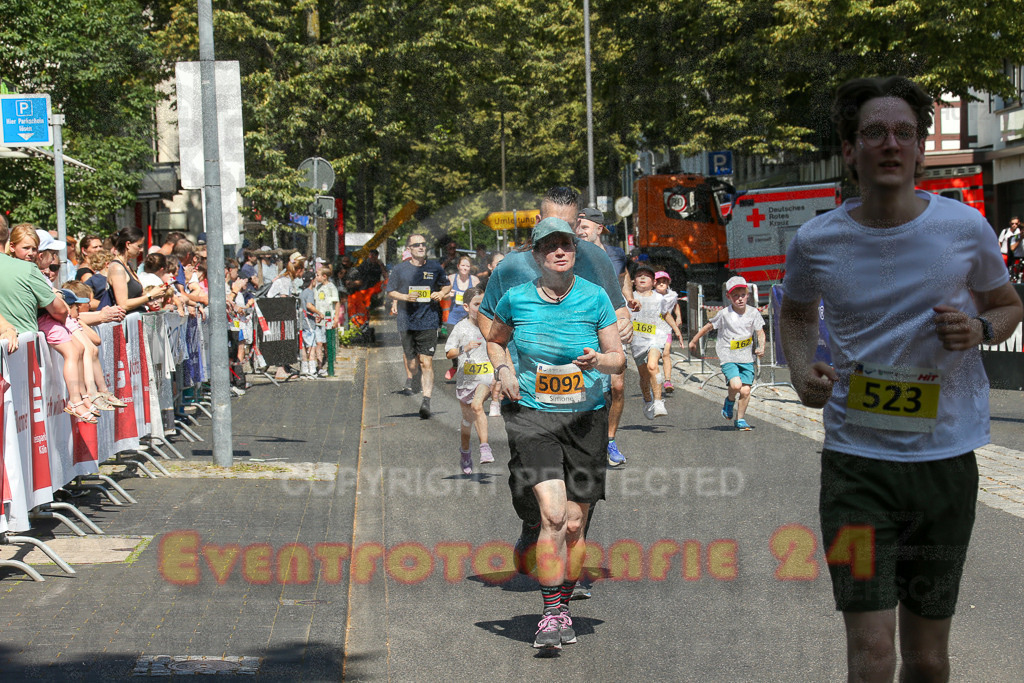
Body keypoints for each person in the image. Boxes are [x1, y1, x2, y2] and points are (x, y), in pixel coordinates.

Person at [780, 76, 1023, 682]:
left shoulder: (965, 229)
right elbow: (796, 311)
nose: (890, 143)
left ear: (918, 150)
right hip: (855, 469)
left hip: (945, 466)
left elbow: (1007, 304)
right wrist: (799, 365)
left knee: (928, 658)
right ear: (850, 150)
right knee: (870, 656)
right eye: (874, 132)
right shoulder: (817, 239)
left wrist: (980, 329)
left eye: (904, 133)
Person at [478, 186, 632, 593]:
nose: (562, 240)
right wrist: (504, 367)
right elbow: (488, 323)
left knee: (573, 504)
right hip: (528, 396)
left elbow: (615, 310)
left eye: (570, 228)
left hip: (583, 397)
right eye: (552, 228)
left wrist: (620, 327)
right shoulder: (512, 268)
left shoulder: (593, 257)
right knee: (527, 489)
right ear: (538, 223)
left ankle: (566, 558)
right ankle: (535, 522)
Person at [574, 206, 632, 464]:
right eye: (577, 226)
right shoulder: (574, 254)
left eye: (584, 226)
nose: (579, 231)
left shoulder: (616, 254)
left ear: (599, 228)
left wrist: (626, 311)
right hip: (586, 326)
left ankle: (609, 440)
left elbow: (623, 278)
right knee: (588, 386)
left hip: (612, 325)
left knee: (617, 387)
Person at [386, 233, 451, 418]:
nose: (421, 247)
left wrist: (441, 293)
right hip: (406, 321)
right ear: (409, 249)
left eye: (423, 244)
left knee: (426, 361)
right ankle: (413, 377)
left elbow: (446, 286)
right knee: (413, 364)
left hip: (428, 319)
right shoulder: (399, 270)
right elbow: (390, 292)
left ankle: (426, 401)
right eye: (416, 245)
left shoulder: (435, 267)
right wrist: (405, 297)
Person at [689, 276, 765, 430]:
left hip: (746, 357)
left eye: (742, 294)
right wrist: (694, 340)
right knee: (736, 385)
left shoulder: (753, 313)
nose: (739, 299)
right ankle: (730, 401)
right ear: (729, 297)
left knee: (745, 390)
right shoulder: (724, 314)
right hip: (728, 355)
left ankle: (740, 420)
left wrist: (761, 347)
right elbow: (708, 327)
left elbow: (760, 332)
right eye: (735, 296)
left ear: (748, 294)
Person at [443, 286, 494, 474]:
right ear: (466, 307)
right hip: (466, 380)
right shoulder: (461, 328)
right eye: (476, 304)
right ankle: (465, 453)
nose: (480, 308)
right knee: (467, 421)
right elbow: (449, 353)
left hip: (486, 378)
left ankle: (485, 448)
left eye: (483, 304)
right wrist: (465, 348)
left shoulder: (490, 325)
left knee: (477, 406)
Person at [628, 263, 672, 419]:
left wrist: (677, 331)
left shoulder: (659, 298)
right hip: (637, 342)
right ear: (633, 280)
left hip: (655, 338)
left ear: (653, 281)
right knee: (644, 377)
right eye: (639, 275)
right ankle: (648, 400)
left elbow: (666, 315)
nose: (642, 278)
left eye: (646, 276)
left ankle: (659, 402)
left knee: (653, 366)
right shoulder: (629, 298)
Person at [108, 227, 166, 312]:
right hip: (127, 321)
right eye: (139, 246)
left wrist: (156, 292)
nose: (141, 250)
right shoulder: (117, 268)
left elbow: (135, 296)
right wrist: (150, 296)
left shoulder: (128, 265)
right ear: (127, 244)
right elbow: (123, 304)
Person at [444, 255, 480, 381]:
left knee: (469, 343)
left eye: (467, 266)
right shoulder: (451, 278)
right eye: (463, 265)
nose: (465, 268)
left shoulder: (474, 280)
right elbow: (444, 296)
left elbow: (480, 298)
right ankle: (455, 366)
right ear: (458, 266)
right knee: (452, 344)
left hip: (468, 317)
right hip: (453, 316)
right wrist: (449, 294)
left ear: (470, 268)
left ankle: (468, 369)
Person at [654, 270, 683, 394]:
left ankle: (668, 380)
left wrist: (678, 317)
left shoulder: (672, 295)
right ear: (654, 284)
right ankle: (656, 379)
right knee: (654, 358)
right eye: (658, 282)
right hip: (653, 330)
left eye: (664, 282)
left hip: (666, 329)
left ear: (668, 283)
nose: (661, 284)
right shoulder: (651, 296)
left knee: (666, 354)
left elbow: (676, 305)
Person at [313, 265, 341, 376]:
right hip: (318, 320)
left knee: (327, 343)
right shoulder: (317, 287)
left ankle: (330, 364)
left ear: (325, 276)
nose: (316, 277)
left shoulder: (331, 287)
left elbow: (336, 303)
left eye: (318, 275)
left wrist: (336, 318)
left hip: (328, 320)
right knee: (319, 343)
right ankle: (319, 366)